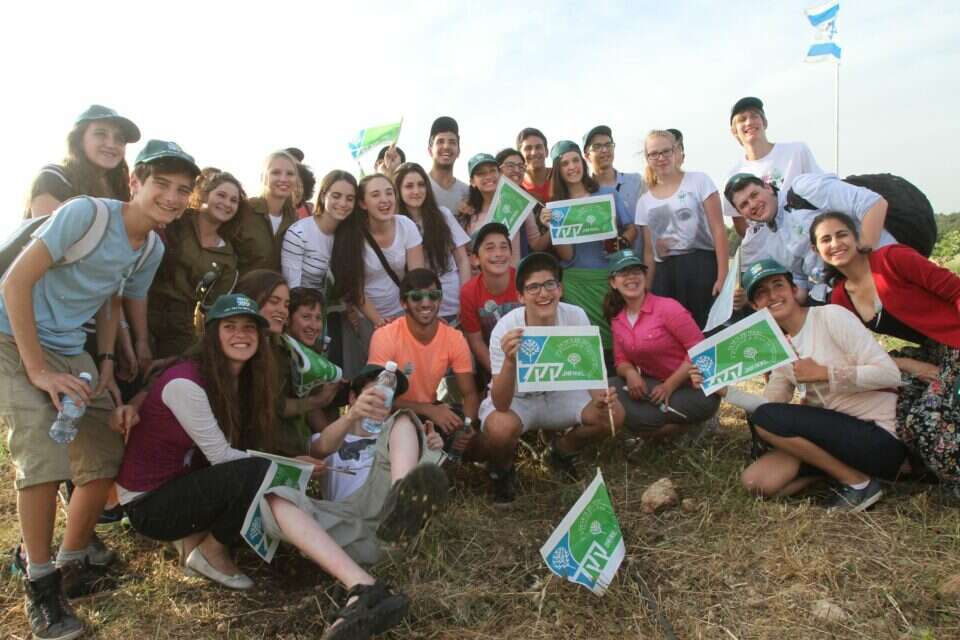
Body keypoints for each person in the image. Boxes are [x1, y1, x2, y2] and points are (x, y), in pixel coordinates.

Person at [112, 294, 415, 639]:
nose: (241, 335)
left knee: (265, 479)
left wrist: (286, 464)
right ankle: (214, 551)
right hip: (150, 505)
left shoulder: (240, 382)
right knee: (259, 474)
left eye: (249, 328)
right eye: (230, 327)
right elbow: (224, 458)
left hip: (189, 488)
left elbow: (243, 454)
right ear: (212, 335)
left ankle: (361, 586)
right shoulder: (186, 382)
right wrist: (287, 466)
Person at [0, 139, 197, 639]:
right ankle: (40, 584)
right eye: (161, 184)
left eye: (182, 190)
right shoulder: (86, 214)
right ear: (135, 182)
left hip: (72, 348)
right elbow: (14, 283)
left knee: (107, 450)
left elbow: (111, 298)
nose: (172, 197)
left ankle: (70, 562)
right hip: (11, 337)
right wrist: (38, 371)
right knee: (43, 453)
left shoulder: (150, 246)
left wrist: (106, 362)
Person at [704, 259, 907, 511]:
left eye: (778, 285)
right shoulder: (779, 348)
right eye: (762, 293)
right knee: (756, 482)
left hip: (880, 438)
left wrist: (825, 373)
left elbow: (889, 374)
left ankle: (857, 483)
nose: (772, 296)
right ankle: (837, 470)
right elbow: (770, 408)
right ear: (755, 306)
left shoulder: (830, 316)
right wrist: (725, 391)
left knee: (766, 418)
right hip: (834, 438)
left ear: (794, 290)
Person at [811, 212, 960, 498]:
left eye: (842, 234)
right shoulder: (841, 297)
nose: (835, 244)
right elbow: (857, 353)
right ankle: (925, 470)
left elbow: (955, 291)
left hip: (955, 341)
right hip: (928, 351)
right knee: (896, 407)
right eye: (825, 239)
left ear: (857, 237)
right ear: (816, 250)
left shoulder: (892, 259)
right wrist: (908, 364)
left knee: (922, 419)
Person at [470, 252, 625, 506]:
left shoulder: (576, 316)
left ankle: (561, 451)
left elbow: (592, 374)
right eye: (533, 287)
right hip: (520, 400)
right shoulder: (505, 328)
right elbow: (501, 403)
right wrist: (509, 362)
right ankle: (501, 470)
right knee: (499, 427)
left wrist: (602, 400)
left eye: (550, 284)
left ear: (560, 289)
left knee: (613, 414)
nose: (543, 294)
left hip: (562, 395)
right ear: (520, 296)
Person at [724, 171, 894, 302]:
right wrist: (752, 300)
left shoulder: (803, 189)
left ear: (768, 187)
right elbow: (801, 284)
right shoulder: (771, 244)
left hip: (884, 272)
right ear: (742, 214)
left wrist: (862, 269)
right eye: (744, 205)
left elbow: (874, 204)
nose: (753, 205)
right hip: (837, 296)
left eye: (754, 195)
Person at [604, 250, 719, 441]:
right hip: (655, 385)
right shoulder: (618, 320)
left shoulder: (668, 308)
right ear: (613, 282)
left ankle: (692, 425)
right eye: (624, 273)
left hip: (695, 388)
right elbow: (620, 360)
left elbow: (700, 349)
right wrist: (631, 373)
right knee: (610, 389)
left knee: (639, 420)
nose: (631, 277)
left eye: (636, 272)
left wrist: (669, 385)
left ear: (645, 276)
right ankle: (669, 425)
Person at [368, 269, 479, 455]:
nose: (426, 302)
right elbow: (378, 400)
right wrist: (428, 409)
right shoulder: (385, 336)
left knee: (477, 438)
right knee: (408, 433)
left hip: (429, 412)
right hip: (390, 415)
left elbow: (469, 394)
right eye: (417, 297)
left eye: (433, 295)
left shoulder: (454, 338)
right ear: (403, 302)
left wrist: (467, 426)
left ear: (440, 299)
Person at [543, 140, 635, 350]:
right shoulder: (557, 207)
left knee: (619, 339)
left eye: (575, 160)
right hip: (576, 284)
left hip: (609, 278)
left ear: (583, 162)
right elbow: (567, 256)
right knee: (585, 344)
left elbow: (631, 228)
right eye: (565, 163)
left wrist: (622, 241)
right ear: (558, 170)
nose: (572, 167)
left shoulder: (607, 194)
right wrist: (553, 227)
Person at [329, 174, 424, 376]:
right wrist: (379, 322)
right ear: (363, 203)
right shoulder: (352, 235)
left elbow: (417, 277)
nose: (385, 200)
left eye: (389, 193)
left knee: (408, 372)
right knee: (377, 375)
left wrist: (414, 314)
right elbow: (356, 288)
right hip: (368, 318)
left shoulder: (405, 225)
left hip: (404, 313)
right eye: (375, 195)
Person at [634, 130, 728, 328]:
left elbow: (718, 230)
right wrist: (647, 293)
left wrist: (723, 277)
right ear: (647, 158)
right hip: (666, 277)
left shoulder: (699, 181)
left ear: (676, 151)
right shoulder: (644, 202)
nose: (661, 158)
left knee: (707, 329)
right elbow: (649, 253)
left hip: (702, 268)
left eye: (665, 151)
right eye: (654, 154)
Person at [148, 168, 243, 359]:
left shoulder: (227, 257)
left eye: (234, 200)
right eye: (221, 195)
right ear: (205, 195)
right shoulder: (176, 220)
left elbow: (211, 307)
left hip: (179, 328)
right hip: (144, 307)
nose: (227, 203)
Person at [722, 97, 824, 272]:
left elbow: (820, 194)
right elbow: (740, 225)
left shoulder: (796, 151)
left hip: (804, 252)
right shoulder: (732, 176)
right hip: (759, 261)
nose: (749, 122)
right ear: (734, 131)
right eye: (742, 119)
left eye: (754, 116)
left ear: (764, 122)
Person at [25, 105, 139, 219]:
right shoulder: (54, 177)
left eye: (119, 138)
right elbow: (47, 229)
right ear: (79, 139)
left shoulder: (119, 190)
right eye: (100, 134)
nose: (111, 144)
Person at [394, 162, 471, 324]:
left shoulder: (443, 215)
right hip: (421, 309)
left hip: (455, 304)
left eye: (421, 185)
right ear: (398, 191)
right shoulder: (395, 225)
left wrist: (466, 300)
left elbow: (463, 260)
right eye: (409, 186)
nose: (416, 191)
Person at [459, 222, 522, 384]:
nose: (498, 254)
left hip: (528, 357)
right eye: (490, 248)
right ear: (475, 259)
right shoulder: (468, 292)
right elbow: (476, 342)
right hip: (493, 365)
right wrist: (500, 374)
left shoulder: (524, 281)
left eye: (503, 247)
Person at [282, 170, 358, 292]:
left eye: (350, 199)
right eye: (336, 196)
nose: (343, 203)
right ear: (323, 196)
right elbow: (292, 289)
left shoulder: (351, 235)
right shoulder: (298, 233)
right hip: (302, 301)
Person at [583, 125, 645, 255]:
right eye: (597, 146)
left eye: (608, 145)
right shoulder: (584, 193)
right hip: (604, 263)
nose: (604, 150)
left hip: (639, 261)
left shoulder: (636, 181)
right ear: (587, 156)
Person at [234, 150, 300, 275]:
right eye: (276, 172)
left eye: (290, 174)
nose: (283, 179)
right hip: (242, 286)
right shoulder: (243, 210)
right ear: (263, 177)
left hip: (277, 286)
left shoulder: (295, 220)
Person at [495, 147, 550, 257]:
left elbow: (536, 245)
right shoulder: (483, 199)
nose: (517, 170)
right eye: (510, 166)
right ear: (498, 170)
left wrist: (554, 229)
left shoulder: (525, 203)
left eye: (521, 166)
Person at [427, 117, 469, 214]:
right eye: (440, 141)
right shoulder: (420, 187)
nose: (446, 147)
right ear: (430, 150)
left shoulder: (467, 192)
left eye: (452, 142)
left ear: (458, 152)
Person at [461, 153, 500, 235]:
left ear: (499, 174)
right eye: (481, 173)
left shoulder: (517, 203)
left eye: (492, 170)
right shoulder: (468, 215)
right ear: (472, 182)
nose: (488, 176)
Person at [517, 127, 552, 203]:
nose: (534, 153)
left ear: (546, 152)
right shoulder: (517, 186)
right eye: (528, 148)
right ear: (519, 155)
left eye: (538, 147)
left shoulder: (559, 177)